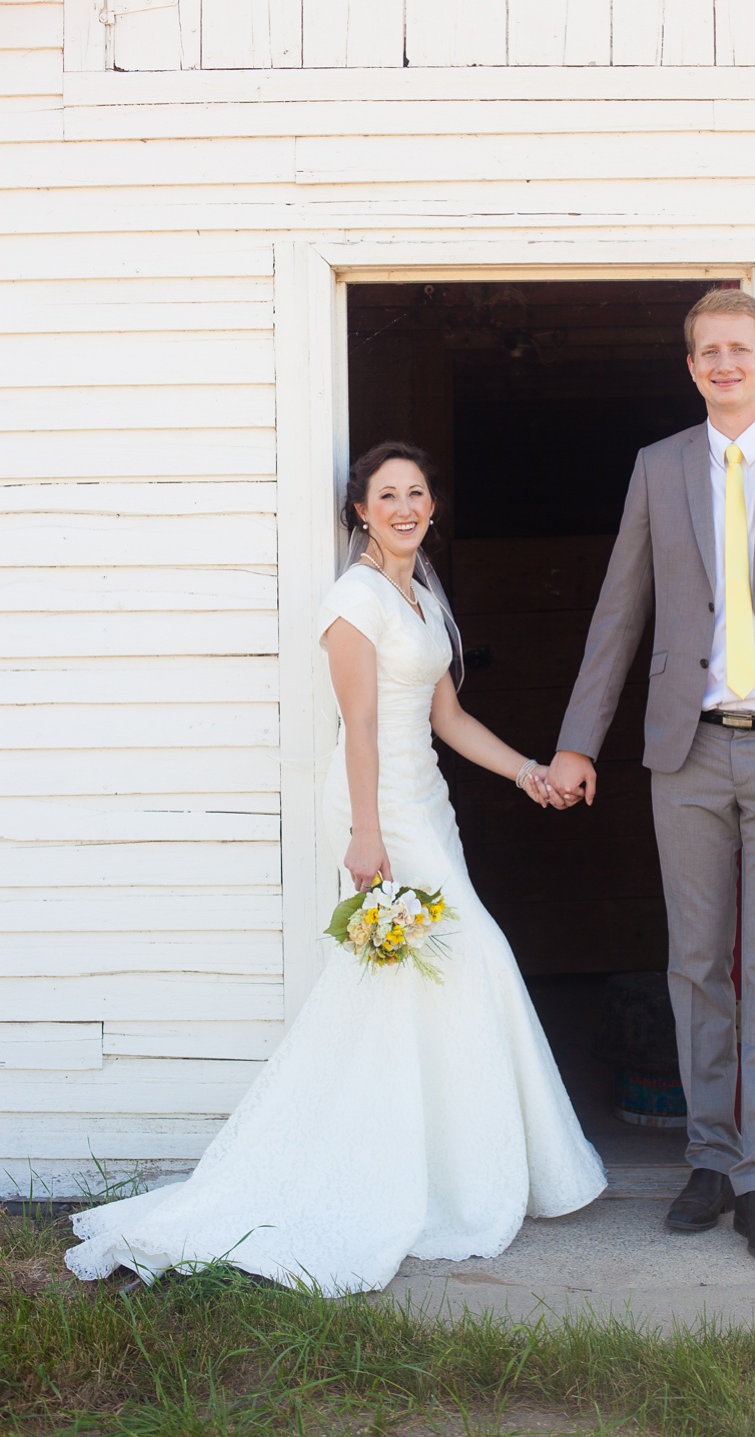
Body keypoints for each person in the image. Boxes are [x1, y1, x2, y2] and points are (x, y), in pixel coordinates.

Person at [66, 443, 606, 1295]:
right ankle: (376, 1175)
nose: (402, 506)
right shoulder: (354, 600)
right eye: (385, 494)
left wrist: (527, 771)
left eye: (416, 493)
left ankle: (441, 1170)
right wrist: (365, 834)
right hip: (376, 808)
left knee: (430, 984)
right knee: (463, 964)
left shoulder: (421, 593)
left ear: (433, 506)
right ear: (360, 510)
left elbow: (450, 716)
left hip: (427, 802)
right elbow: (359, 726)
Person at [546, 287, 755, 1261]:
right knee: (695, 962)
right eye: (706, 351)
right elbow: (619, 614)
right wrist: (578, 738)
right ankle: (707, 1156)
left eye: (739, 347)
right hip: (684, 751)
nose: (723, 363)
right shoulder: (659, 470)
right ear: (690, 365)